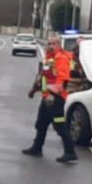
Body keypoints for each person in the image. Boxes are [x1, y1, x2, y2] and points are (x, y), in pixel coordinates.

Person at [23, 35, 78, 163]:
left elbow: (62, 78)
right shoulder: (49, 58)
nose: (50, 46)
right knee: (41, 124)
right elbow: (43, 77)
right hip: (47, 97)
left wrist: (54, 94)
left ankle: (70, 152)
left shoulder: (61, 58)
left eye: (53, 43)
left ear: (59, 44)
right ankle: (37, 148)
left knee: (60, 125)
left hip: (56, 99)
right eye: (49, 43)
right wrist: (34, 90)